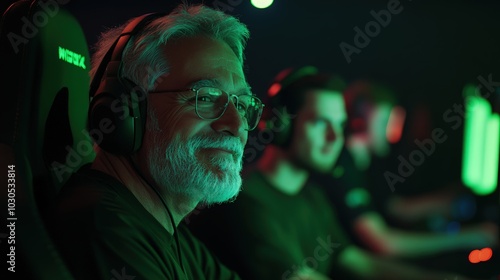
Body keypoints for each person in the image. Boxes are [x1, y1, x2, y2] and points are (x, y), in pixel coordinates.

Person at [189, 67, 471, 280]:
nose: (335, 136)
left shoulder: (312, 198)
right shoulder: (246, 200)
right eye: (321, 122)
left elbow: (359, 261)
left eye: (339, 124)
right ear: (280, 125)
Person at [49, 4, 264, 279]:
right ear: (125, 112)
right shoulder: (104, 228)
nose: (236, 125)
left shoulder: (172, 235)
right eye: (206, 97)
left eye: (242, 104)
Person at [316, 80, 498, 258]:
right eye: (386, 121)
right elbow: (384, 243)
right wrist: (469, 237)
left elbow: (395, 207)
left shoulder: (368, 165)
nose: (393, 129)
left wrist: (447, 197)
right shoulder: (343, 167)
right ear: (360, 117)